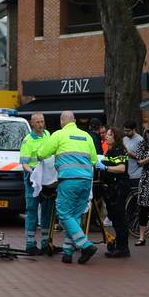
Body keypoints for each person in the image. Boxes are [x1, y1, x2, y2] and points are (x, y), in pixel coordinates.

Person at [38, 111, 98, 264]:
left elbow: (43, 153)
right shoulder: (86, 136)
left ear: (61, 122)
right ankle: (67, 253)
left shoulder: (58, 135)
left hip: (69, 180)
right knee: (75, 216)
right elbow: (93, 160)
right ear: (75, 121)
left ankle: (85, 245)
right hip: (86, 181)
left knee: (64, 214)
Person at [19, 112, 52, 255]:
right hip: (32, 179)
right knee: (32, 210)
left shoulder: (48, 135)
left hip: (47, 179)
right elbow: (24, 164)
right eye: (37, 122)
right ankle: (30, 244)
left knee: (47, 210)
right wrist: (33, 174)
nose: (40, 124)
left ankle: (45, 243)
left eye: (42, 121)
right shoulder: (27, 141)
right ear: (32, 124)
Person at [97, 127, 130, 258]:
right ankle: (119, 244)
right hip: (112, 188)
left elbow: (122, 168)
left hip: (119, 187)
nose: (106, 136)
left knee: (119, 217)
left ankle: (123, 248)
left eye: (109, 135)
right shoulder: (110, 151)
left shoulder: (119, 150)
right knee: (115, 218)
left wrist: (105, 167)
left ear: (115, 137)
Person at [123, 121, 144, 191]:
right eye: (125, 131)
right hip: (127, 173)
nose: (126, 133)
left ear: (134, 129)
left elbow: (144, 157)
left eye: (128, 131)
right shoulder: (124, 139)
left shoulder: (140, 140)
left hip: (137, 174)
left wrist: (131, 154)